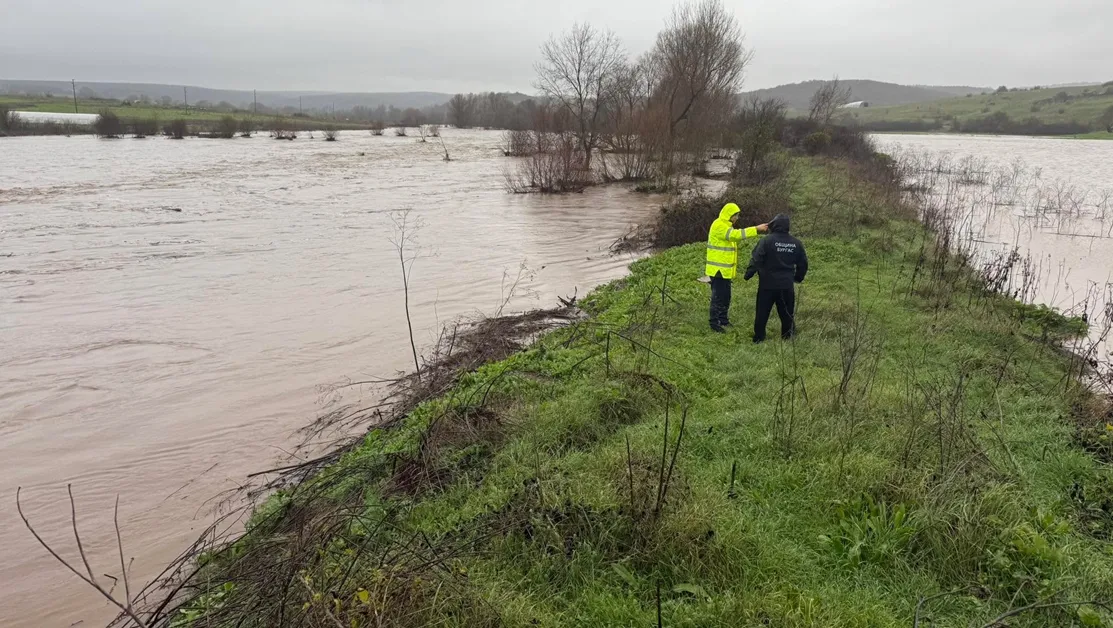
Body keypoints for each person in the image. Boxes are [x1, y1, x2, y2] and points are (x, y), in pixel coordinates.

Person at [744, 213, 808, 342]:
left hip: (767, 284)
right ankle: (787, 337)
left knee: (762, 313)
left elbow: (756, 259)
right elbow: (803, 264)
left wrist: (748, 274)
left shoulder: (766, 241)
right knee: (787, 314)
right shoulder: (796, 243)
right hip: (786, 285)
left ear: (774, 225)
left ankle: (759, 338)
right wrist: (798, 278)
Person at [706, 203, 768, 333]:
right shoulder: (719, 226)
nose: (737, 218)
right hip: (718, 270)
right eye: (736, 215)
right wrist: (756, 229)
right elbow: (736, 235)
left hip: (724, 270)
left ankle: (723, 320)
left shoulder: (725, 225)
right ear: (730, 215)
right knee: (718, 296)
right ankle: (714, 323)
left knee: (725, 296)